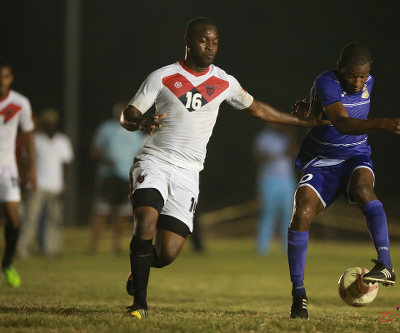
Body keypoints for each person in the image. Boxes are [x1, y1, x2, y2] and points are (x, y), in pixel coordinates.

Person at [120, 17, 327, 319]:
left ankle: (140, 269)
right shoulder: (163, 76)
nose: (211, 46)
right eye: (204, 40)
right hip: (155, 160)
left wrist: (304, 121)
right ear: (188, 41)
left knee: (166, 254)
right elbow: (128, 114)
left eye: (215, 42)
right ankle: (139, 304)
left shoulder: (224, 82)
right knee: (146, 220)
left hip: (189, 172)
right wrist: (140, 121)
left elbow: (257, 108)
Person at [287, 42, 400, 319]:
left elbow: (330, 115)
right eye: (351, 76)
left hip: (356, 155)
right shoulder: (326, 81)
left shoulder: (370, 80)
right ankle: (299, 295)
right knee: (302, 213)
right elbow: (343, 123)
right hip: (322, 161)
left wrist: (313, 110)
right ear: (340, 68)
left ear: (368, 71)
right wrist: (384, 123)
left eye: (362, 75)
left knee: (364, 189)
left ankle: (385, 264)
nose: (357, 82)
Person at [88, 101, 144, 254]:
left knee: (122, 213)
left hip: (127, 177)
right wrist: (106, 158)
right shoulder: (106, 128)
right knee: (101, 211)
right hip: (109, 175)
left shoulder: (136, 132)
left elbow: (139, 155)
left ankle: (116, 246)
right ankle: (93, 246)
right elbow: (94, 151)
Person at [17, 108, 73, 259]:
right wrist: (23, 181)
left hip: (56, 186)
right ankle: (22, 249)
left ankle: (50, 250)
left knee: (54, 221)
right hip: (37, 185)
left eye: (52, 122)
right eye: (46, 123)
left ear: (56, 123)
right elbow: (25, 162)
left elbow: (66, 166)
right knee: (30, 219)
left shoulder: (63, 141)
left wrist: (64, 186)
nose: (49, 125)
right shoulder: (35, 139)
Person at [0, 60, 36, 287]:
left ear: (11, 78)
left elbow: (29, 136)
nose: (1, 81)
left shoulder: (20, 103)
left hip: (7, 167)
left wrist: (32, 168)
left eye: (5, 76)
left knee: (14, 216)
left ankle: (7, 263)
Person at [253, 124, 296, 255]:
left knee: (288, 215)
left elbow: (295, 153)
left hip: (287, 179)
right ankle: (262, 249)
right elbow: (258, 157)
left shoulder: (286, 137)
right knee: (268, 213)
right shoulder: (264, 137)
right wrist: (275, 155)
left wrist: (290, 138)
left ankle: (288, 249)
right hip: (269, 179)